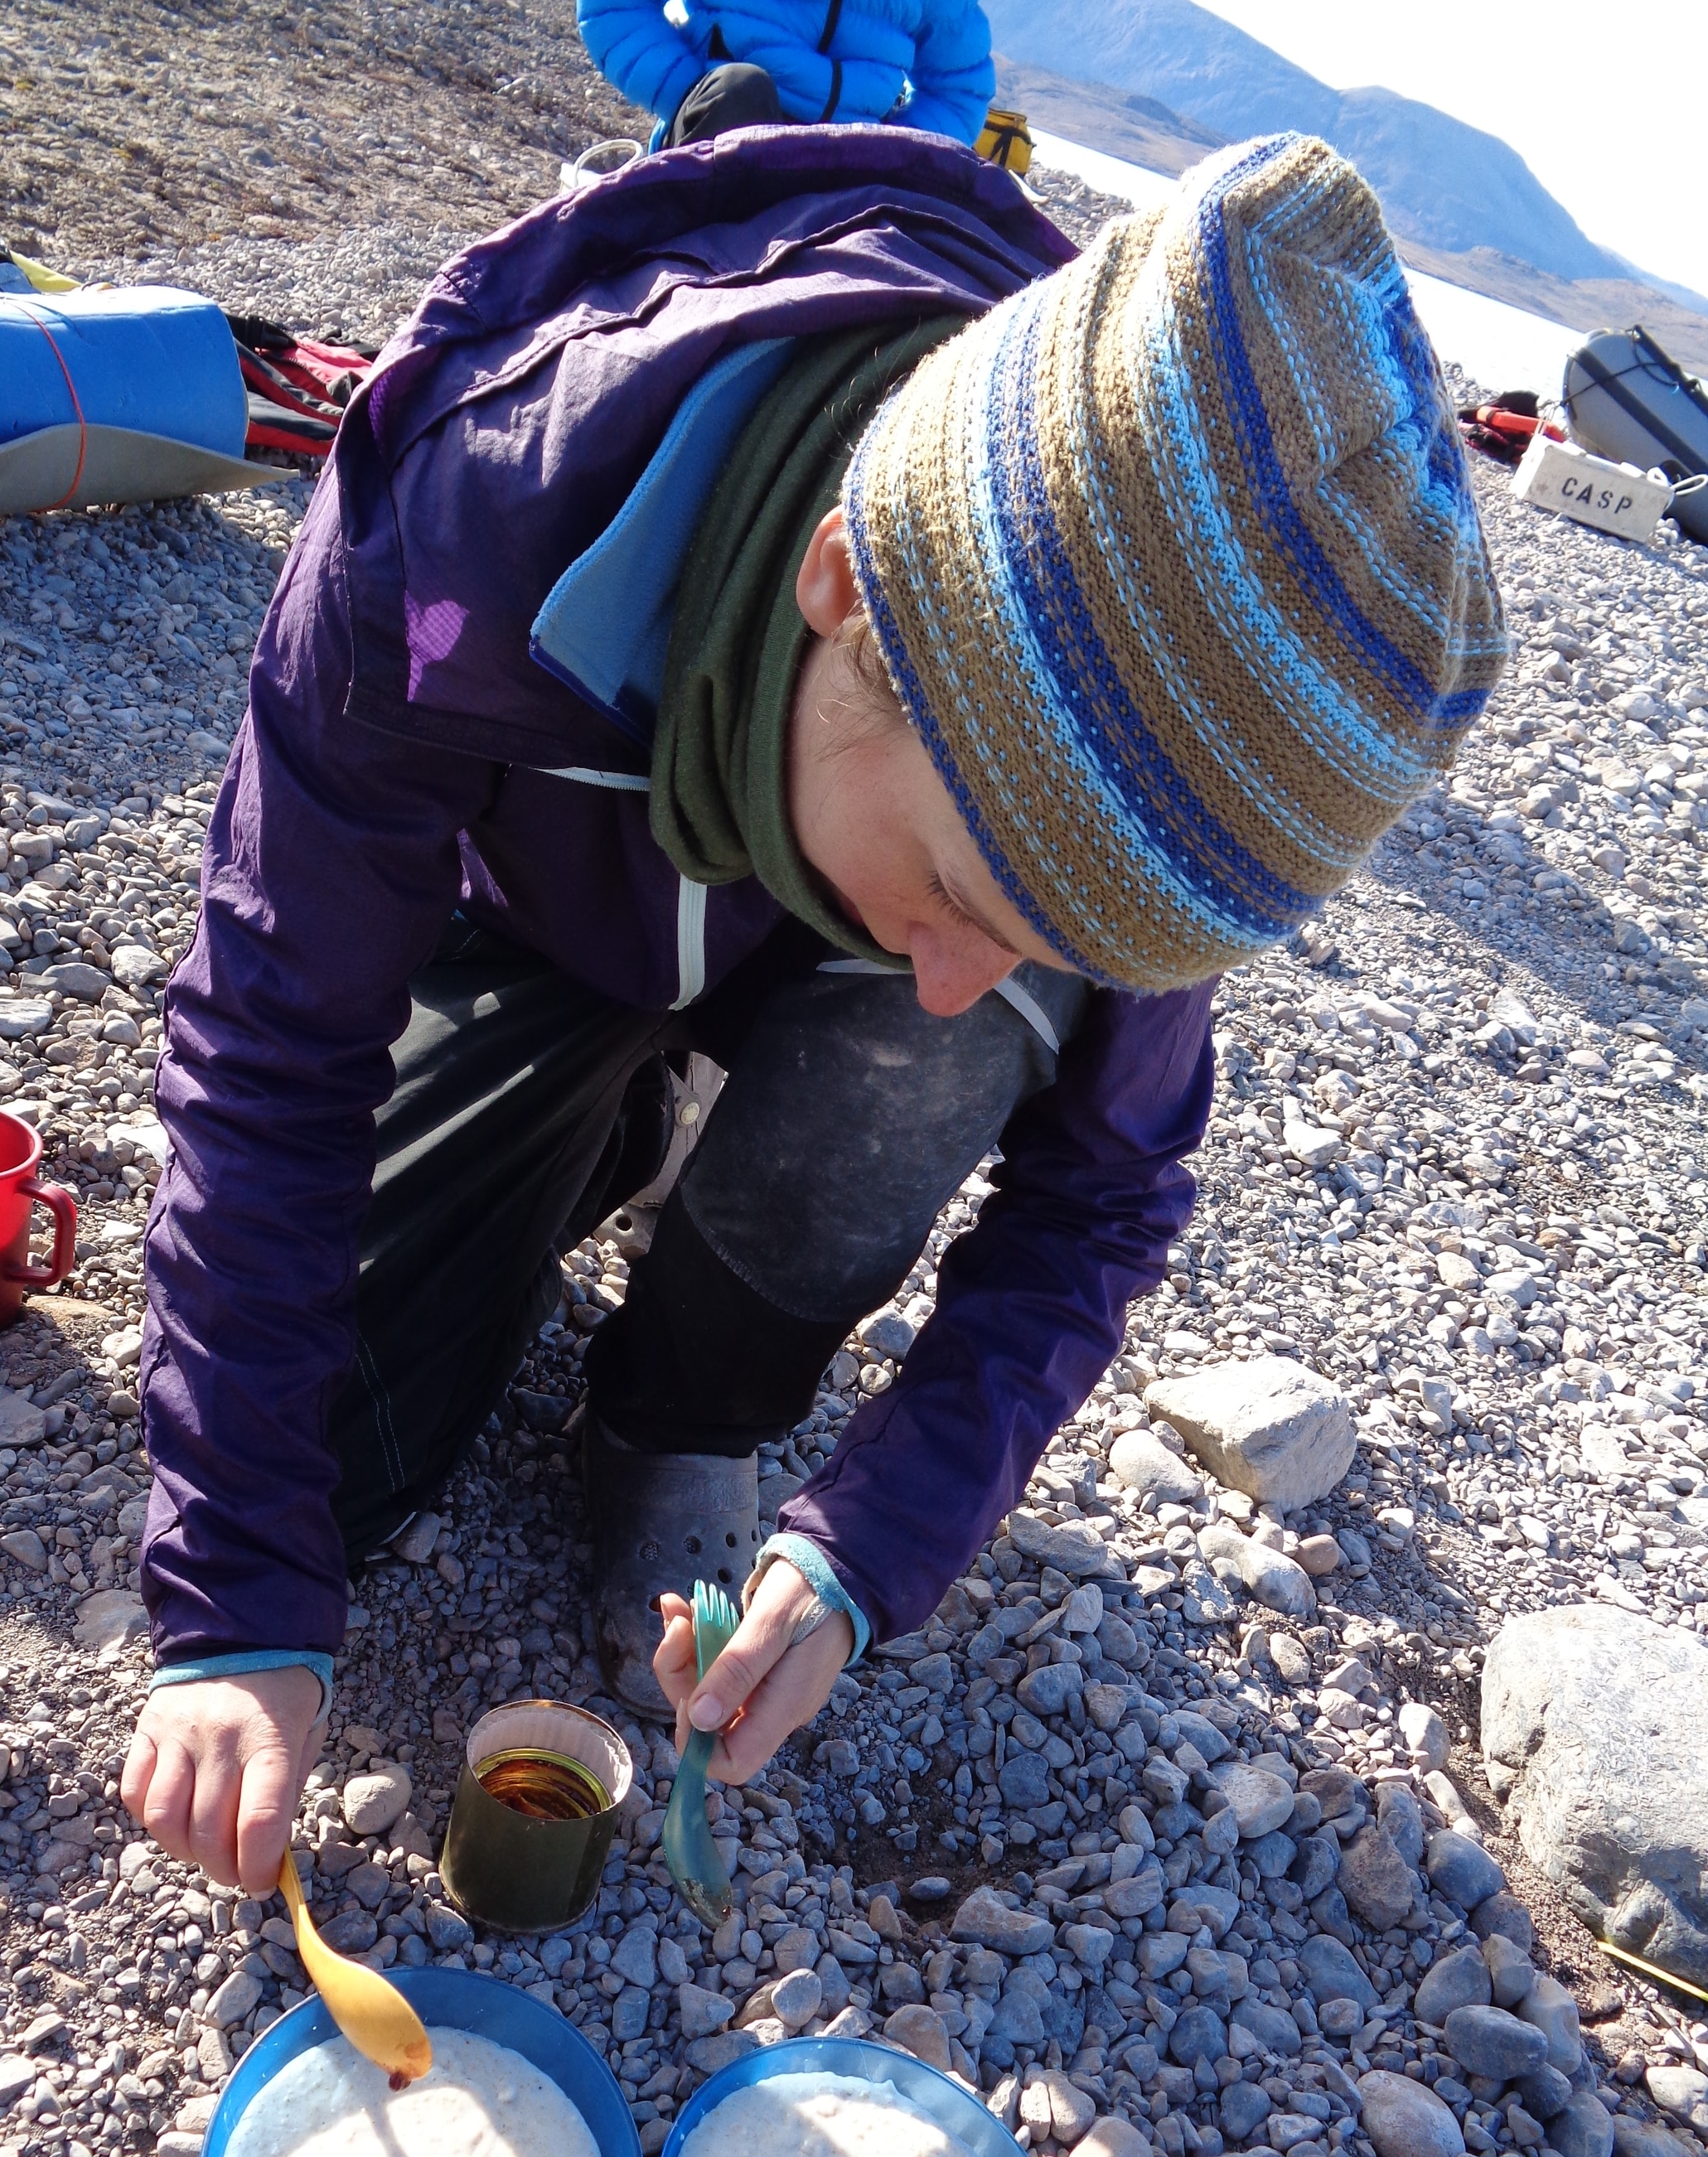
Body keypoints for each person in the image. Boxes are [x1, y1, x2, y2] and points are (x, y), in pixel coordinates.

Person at [119, 123, 1507, 1897]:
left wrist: (862, 1553)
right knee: (335, 1461)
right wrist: (238, 1596)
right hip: (536, 922)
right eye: (973, 894)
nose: (956, 985)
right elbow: (274, 1043)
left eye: (1047, 936)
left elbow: (1103, 1192)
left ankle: (680, 1406)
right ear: (846, 584)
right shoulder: (474, 509)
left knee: (946, 1033)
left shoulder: (1152, 754)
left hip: (776, 951)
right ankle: (596, 1124)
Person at [577, 0, 994, 149]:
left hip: (850, 166)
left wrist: (896, 151)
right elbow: (612, 7)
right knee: (741, 90)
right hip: (724, 135)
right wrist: (689, 92)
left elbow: (960, 88)